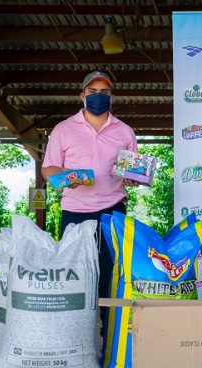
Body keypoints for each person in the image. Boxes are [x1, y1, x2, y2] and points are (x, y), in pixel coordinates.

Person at [42, 70, 139, 301]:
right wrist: (67, 177)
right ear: (82, 95)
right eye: (92, 91)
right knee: (75, 274)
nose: (98, 96)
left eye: (104, 92)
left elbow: (134, 170)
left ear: (112, 97)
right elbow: (48, 169)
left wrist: (133, 178)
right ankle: (77, 335)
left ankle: (109, 335)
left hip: (113, 212)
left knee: (112, 273)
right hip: (75, 212)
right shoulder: (63, 129)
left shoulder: (125, 131)